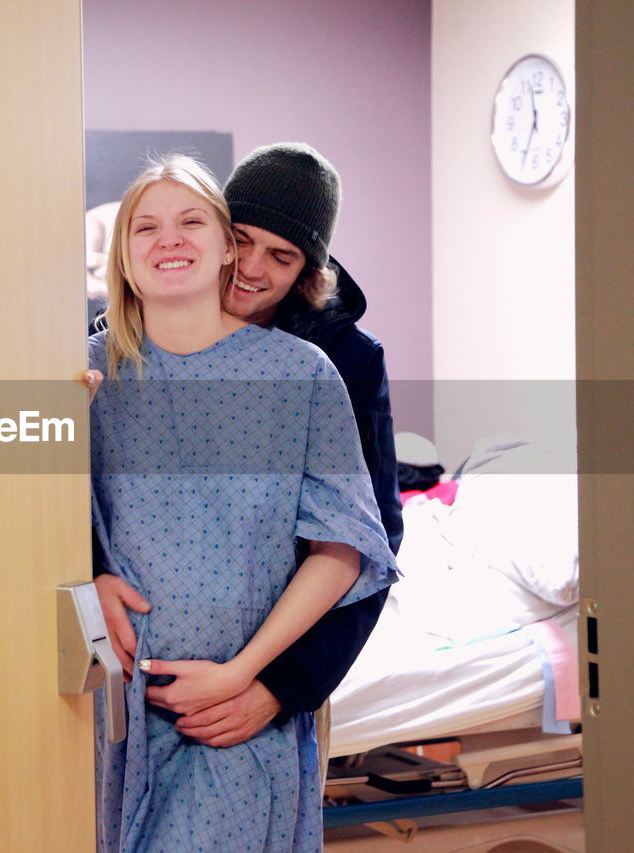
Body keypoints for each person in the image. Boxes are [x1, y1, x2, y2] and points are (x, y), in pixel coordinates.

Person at [88, 154, 397, 852]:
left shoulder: (320, 366)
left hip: (252, 696)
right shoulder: (89, 372)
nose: (253, 269)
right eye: (147, 227)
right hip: (118, 709)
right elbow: (11, 513)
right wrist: (89, 579)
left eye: (279, 255)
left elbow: (356, 542)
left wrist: (264, 681)